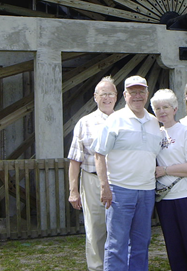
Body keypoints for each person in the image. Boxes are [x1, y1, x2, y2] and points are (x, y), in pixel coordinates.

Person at [94, 75, 163, 271]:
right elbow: (99, 154)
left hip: (147, 191)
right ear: (125, 95)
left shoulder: (153, 122)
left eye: (141, 91)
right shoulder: (115, 120)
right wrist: (104, 187)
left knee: (141, 245)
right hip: (119, 191)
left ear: (147, 94)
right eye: (133, 92)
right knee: (117, 245)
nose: (138, 96)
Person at [150, 89, 187, 271]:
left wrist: (166, 170)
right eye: (158, 108)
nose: (162, 111)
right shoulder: (155, 135)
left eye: (166, 107)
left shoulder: (186, 132)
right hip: (166, 200)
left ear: (175, 108)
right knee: (174, 251)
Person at [67, 76, 118, 271]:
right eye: (103, 94)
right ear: (95, 97)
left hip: (119, 181)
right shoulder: (84, 123)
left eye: (110, 94)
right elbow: (75, 159)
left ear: (117, 96)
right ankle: (97, 267)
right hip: (92, 180)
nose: (107, 98)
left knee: (119, 230)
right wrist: (73, 191)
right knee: (95, 229)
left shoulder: (124, 120)